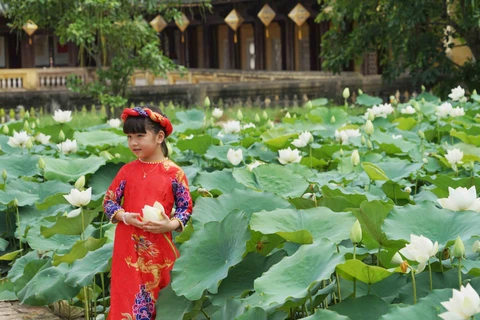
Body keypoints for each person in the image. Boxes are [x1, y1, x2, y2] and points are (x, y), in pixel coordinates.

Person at [103, 105, 192, 320]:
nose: (133, 142)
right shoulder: (127, 171)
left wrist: (169, 225)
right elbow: (109, 202)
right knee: (126, 295)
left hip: (159, 245)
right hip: (128, 244)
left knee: (160, 298)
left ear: (160, 136)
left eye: (140, 136)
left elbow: (185, 208)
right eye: (129, 137)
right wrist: (124, 216)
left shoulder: (174, 173)